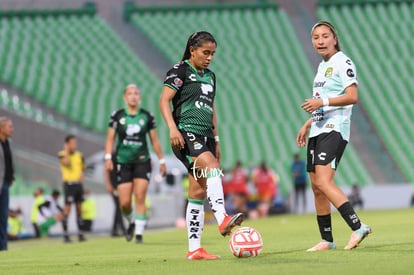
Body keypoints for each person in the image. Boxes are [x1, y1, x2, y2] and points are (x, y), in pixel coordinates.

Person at [159, 31, 244, 260]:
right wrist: (172, 128)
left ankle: (195, 249)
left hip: (205, 135)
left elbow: (211, 108)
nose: (209, 57)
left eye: (213, 54)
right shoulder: (180, 71)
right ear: (192, 50)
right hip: (185, 133)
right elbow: (164, 100)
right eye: (205, 52)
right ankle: (222, 217)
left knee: (196, 192)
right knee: (213, 167)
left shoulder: (211, 76)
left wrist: (216, 139)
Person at [296, 21, 371, 251]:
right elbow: (324, 100)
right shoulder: (322, 66)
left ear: (334, 39)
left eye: (325, 36)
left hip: (335, 128)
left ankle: (358, 227)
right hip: (318, 128)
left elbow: (352, 96)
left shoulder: (343, 62)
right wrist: (308, 123)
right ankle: (327, 240)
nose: (320, 41)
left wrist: (322, 102)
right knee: (316, 187)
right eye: (316, 37)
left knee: (324, 181)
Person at [105, 84, 166, 244]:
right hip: (123, 162)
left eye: (136, 93)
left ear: (139, 97)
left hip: (142, 161)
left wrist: (161, 160)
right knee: (124, 203)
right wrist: (107, 157)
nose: (133, 96)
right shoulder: (117, 116)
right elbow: (110, 138)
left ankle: (139, 234)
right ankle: (131, 220)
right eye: (130, 93)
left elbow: (154, 140)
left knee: (140, 196)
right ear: (125, 97)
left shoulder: (147, 116)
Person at [58, 134, 86, 243]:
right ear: (67, 144)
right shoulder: (62, 154)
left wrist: (81, 176)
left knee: (79, 209)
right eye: (72, 143)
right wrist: (66, 150)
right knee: (67, 209)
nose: (74, 145)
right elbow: (67, 163)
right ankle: (66, 235)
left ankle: (81, 234)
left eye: (75, 143)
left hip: (78, 185)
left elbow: (83, 168)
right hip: (69, 185)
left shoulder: (80, 155)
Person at [0, 117, 14, 251]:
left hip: (5, 183)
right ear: (1, 128)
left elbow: (9, 162)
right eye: (9, 126)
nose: (12, 129)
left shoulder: (8, 142)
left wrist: (11, 177)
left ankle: (3, 247)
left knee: (3, 216)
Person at [104, 153, 126, 237]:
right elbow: (106, 170)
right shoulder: (113, 155)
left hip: (121, 186)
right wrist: (108, 184)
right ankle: (122, 229)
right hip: (114, 186)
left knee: (119, 207)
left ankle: (114, 229)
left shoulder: (124, 155)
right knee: (118, 206)